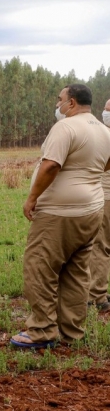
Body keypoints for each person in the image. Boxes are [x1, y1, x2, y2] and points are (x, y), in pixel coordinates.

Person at [11, 84, 110, 348]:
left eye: (60, 100)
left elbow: (51, 164)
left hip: (59, 214)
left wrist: (32, 197)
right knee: (76, 272)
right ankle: (72, 332)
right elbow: (107, 163)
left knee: (40, 267)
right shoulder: (104, 130)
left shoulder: (65, 127)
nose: (58, 105)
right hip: (91, 211)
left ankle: (42, 331)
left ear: (72, 103)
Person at [88, 98, 110, 312]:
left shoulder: (105, 137)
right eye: (104, 109)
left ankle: (97, 295)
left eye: (109, 110)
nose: (105, 113)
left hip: (105, 196)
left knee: (100, 245)